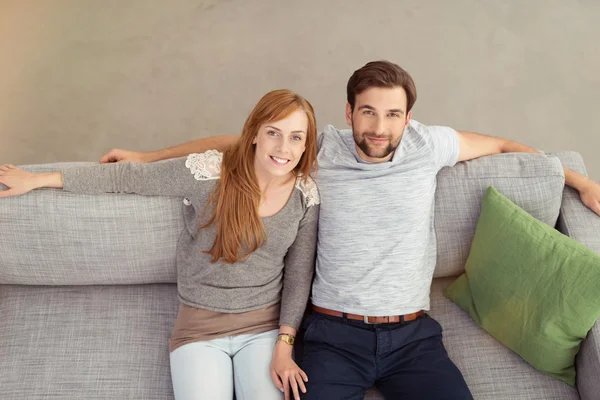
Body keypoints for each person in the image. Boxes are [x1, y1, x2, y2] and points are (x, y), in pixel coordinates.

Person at [89, 61, 600, 399]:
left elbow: (508, 147)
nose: (379, 126)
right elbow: (237, 143)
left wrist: (577, 180)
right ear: (349, 112)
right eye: (369, 112)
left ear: (408, 117)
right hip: (333, 336)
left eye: (393, 114)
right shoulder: (319, 150)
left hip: (413, 336)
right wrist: (146, 157)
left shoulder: (429, 146)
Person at [0, 89, 321, 400]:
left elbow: (298, 276)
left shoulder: (304, 194)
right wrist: (38, 179)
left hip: (264, 330)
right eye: (273, 133)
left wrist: (284, 344)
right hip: (199, 330)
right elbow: (122, 179)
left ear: (306, 144)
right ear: (254, 134)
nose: (283, 147)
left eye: (296, 137)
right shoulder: (207, 173)